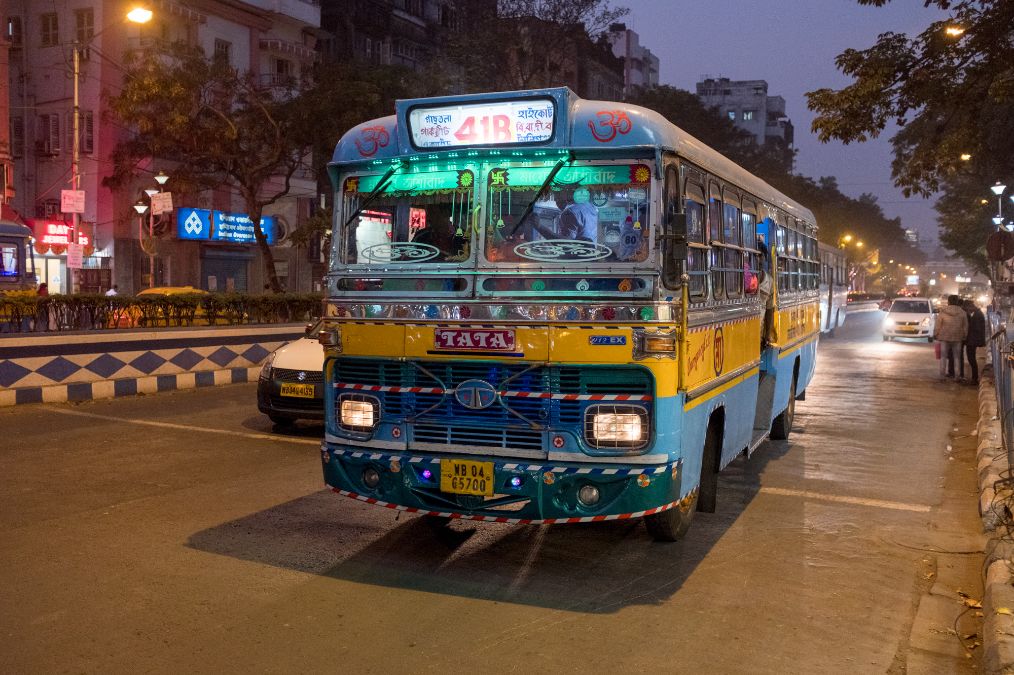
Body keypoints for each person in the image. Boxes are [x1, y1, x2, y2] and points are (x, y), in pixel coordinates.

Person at [934, 295, 968, 380]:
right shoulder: (962, 312)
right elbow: (965, 326)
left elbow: (938, 324)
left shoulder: (943, 312)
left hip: (944, 337)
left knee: (943, 357)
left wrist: (936, 333)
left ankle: (942, 375)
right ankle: (957, 376)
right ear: (957, 302)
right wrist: (964, 335)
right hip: (957, 337)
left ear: (948, 302)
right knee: (957, 357)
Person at [963, 299, 986, 385]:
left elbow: (975, 329)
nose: (967, 310)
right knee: (971, 359)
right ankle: (974, 377)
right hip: (974, 340)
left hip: (973, 341)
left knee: (971, 359)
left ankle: (974, 378)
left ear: (970, 306)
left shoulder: (977, 315)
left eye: (966, 308)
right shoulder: (977, 314)